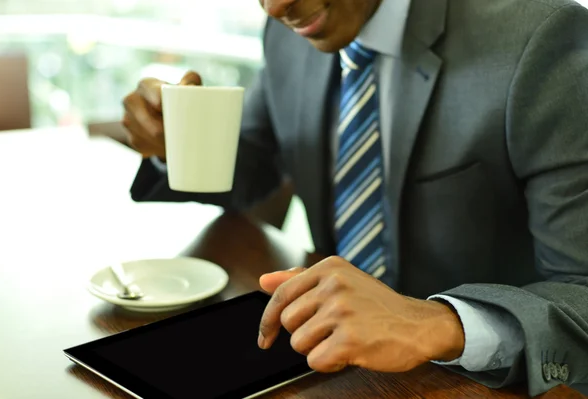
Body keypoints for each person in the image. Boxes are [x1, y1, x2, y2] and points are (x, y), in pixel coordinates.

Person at [123, 0, 588, 396]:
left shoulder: (540, 36)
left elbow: (581, 290)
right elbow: (256, 164)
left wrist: (441, 324)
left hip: (466, 381)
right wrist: (176, 146)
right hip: (329, 366)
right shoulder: (291, 33)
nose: (274, 6)